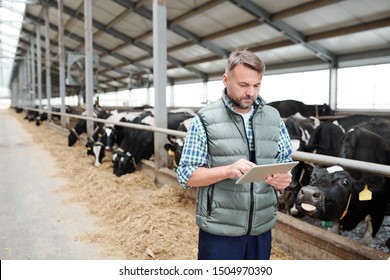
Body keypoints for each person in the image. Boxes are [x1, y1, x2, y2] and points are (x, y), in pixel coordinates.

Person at [176, 49, 293, 260]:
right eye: (243, 85)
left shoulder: (274, 118)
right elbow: (186, 175)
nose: (251, 93)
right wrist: (227, 171)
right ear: (225, 80)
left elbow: (284, 162)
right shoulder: (205, 119)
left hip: (261, 228)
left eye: (256, 85)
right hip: (220, 231)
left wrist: (284, 179)